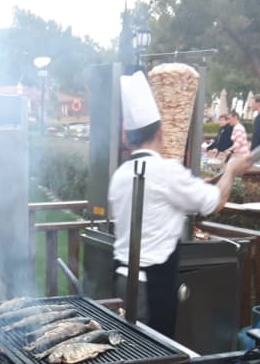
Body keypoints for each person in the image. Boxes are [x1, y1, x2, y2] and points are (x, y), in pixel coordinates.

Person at [108, 71, 252, 338]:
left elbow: (161, 198)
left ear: (127, 139)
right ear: (161, 132)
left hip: (120, 282)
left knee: (124, 348)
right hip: (152, 288)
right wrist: (232, 170)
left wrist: (197, 183)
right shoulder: (167, 172)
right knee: (154, 352)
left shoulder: (120, 175)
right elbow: (216, 202)